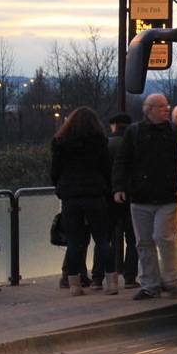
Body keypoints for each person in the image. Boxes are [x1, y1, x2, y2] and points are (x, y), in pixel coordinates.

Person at [112, 94, 177, 300]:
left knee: (163, 238)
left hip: (166, 196)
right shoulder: (134, 132)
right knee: (143, 242)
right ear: (149, 109)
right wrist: (119, 187)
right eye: (161, 107)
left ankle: (170, 280)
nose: (166, 110)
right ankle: (152, 284)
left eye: (166, 106)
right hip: (141, 197)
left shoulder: (174, 132)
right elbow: (122, 161)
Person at [50, 107, 116, 296]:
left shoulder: (61, 143)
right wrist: (106, 188)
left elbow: (55, 172)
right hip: (95, 194)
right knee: (102, 239)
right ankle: (111, 282)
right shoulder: (98, 143)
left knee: (73, 242)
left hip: (71, 196)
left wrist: (61, 188)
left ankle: (75, 285)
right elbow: (106, 168)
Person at [107, 112, 139, 288]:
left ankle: (99, 277)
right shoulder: (135, 145)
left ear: (114, 126)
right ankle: (129, 277)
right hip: (132, 195)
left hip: (110, 197)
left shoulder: (107, 145)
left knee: (105, 238)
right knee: (133, 238)